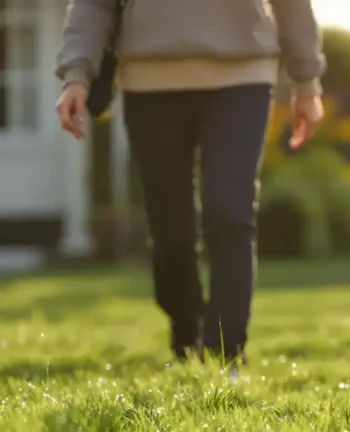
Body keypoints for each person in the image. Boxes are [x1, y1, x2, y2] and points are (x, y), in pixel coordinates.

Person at [54, 0, 325, 368]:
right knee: (170, 231)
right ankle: (187, 336)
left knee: (230, 212)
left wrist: (306, 79)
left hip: (242, 74)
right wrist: (76, 75)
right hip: (149, 82)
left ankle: (226, 353)